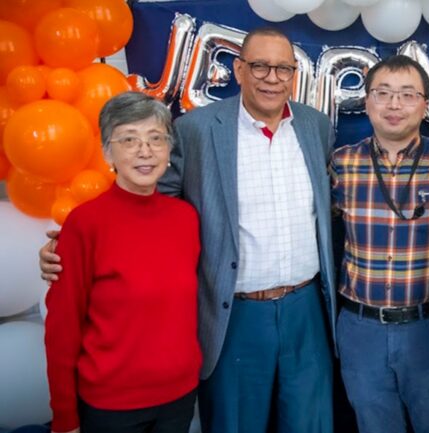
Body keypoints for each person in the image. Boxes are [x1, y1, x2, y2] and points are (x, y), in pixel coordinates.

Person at [40, 28, 336, 433]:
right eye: (260, 66)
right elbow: (145, 198)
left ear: (294, 74)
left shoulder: (315, 126)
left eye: (283, 68)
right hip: (235, 311)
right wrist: (73, 247)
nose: (272, 78)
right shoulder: (197, 129)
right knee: (234, 424)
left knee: (311, 422)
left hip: (307, 308)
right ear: (239, 70)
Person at [45, 91, 201, 433]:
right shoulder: (85, 224)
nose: (144, 151)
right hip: (110, 404)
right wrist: (64, 417)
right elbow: (62, 329)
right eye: (129, 139)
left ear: (168, 150)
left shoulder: (186, 217)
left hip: (178, 397)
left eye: (155, 139)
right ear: (106, 151)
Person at [330, 55, 429, 433]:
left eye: (407, 95)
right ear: (367, 102)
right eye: (383, 93)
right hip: (360, 328)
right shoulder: (341, 163)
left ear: (424, 106)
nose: (394, 105)